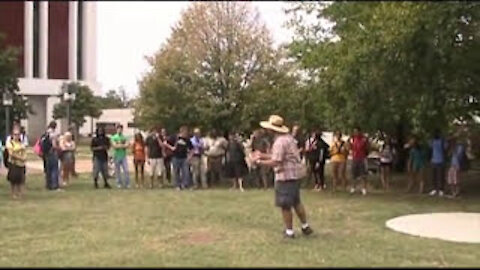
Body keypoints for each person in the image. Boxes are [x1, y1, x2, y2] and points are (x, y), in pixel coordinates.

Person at [251, 115, 313, 239]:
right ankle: (305, 226)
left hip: (285, 176)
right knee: (296, 202)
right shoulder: (288, 139)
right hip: (294, 175)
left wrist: (258, 162)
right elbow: (278, 156)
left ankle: (289, 231)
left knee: (285, 205)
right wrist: (262, 155)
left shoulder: (279, 142)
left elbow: (276, 162)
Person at [164, 126, 193, 190]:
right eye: (185, 133)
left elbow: (192, 149)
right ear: (182, 132)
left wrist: (190, 156)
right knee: (176, 172)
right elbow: (165, 143)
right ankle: (177, 185)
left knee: (186, 172)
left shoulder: (187, 140)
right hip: (175, 157)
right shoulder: (174, 137)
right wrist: (171, 148)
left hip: (184, 158)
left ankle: (184, 185)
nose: (186, 134)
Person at [6, 127, 27, 199]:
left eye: (18, 134)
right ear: (12, 135)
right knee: (13, 180)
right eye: (15, 134)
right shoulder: (10, 143)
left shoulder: (21, 143)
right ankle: (13, 194)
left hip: (21, 164)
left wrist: (24, 158)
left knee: (21, 179)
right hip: (13, 164)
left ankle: (20, 193)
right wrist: (21, 158)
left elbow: (24, 152)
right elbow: (11, 153)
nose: (17, 136)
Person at [349, 127, 369, 195]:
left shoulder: (364, 139)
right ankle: (353, 187)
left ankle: (363, 188)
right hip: (355, 158)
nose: (355, 133)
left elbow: (367, 148)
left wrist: (365, 154)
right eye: (354, 132)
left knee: (363, 174)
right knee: (353, 174)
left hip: (362, 158)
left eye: (357, 132)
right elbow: (350, 147)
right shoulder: (353, 139)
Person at [44, 121, 63, 191]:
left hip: (46, 153)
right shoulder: (53, 134)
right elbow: (54, 145)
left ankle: (48, 185)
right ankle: (55, 185)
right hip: (52, 152)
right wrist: (59, 149)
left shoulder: (46, 133)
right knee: (54, 169)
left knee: (48, 169)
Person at [429, 129, 448, 197]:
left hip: (441, 160)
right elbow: (430, 149)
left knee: (441, 176)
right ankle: (434, 189)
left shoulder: (443, 141)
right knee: (434, 175)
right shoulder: (432, 141)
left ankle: (441, 189)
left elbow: (446, 148)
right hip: (434, 160)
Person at [111, 124, 131, 189]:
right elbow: (114, 146)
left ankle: (127, 183)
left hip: (123, 156)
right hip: (116, 156)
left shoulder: (124, 137)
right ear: (116, 129)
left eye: (120, 129)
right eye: (118, 128)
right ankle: (119, 183)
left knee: (126, 170)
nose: (119, 130)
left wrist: (119, 145)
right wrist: (122, 145)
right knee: (117, 171)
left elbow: (127, 145)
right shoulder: (114, 137)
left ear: (122, 129)